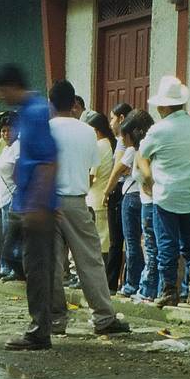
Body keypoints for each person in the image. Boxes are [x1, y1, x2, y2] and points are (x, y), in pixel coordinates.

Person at [49, 79, 129, 336]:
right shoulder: (87, 132)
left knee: (50, 264)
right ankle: (104, 317)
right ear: (74, 104)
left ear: (51, 104)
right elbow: (90, 167)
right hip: (76, 200)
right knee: (90, 261)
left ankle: (55, 321)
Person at [0, 65, 60, 350]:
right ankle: (46, 320)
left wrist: (37, 205)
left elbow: (48, 160)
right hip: (27, 202)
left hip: (36, 205)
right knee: (20, 261)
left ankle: (39, 331)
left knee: (36, 268)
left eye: (1, 92)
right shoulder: (28, 112)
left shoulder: (34, 112)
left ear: (11, 86)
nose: (0, 98)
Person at [139, 76, 190, 307]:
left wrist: (148, 176)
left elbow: (141, 156)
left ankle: (169, 291)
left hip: (166, 195)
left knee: (167, 244)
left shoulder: (158, 130)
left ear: (162, 106)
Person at [113, 111, 151, 297]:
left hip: (134, 198)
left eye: (124, 135)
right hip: (143, 198)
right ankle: (141, 283)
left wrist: (106, 191)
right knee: (146, 244)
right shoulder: (144, 146)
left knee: (133, 243)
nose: (122, 138)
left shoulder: (135, 149)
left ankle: (133, 283)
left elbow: (119, 169)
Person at [102, 102, 133, 290]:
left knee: (117, 241)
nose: (111, 123)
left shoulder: (123, 139)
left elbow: (119, 167)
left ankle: (112, 282)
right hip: (126, 190)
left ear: (121, 119)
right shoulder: (128, 138)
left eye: (112, 118)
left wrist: (107, 190)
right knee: (128, 240)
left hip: (120, 191)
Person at [85, 111, 117, 277]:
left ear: (96, 130)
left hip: (95, 198)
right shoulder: (110, 144)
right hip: (103, 198)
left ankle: (95, 276)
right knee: (104, 241)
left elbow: (90, 176)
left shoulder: (98, 146)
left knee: (96, 242)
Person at [0, 113, 24, 282]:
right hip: (3, 198)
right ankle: (5, 267)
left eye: (9, 130)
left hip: (14, 197)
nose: (6, 134)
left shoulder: (18, 147)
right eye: (3, 131)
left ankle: (15, 269)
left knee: (14, 237)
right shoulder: (5, 148)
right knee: (6, 235)